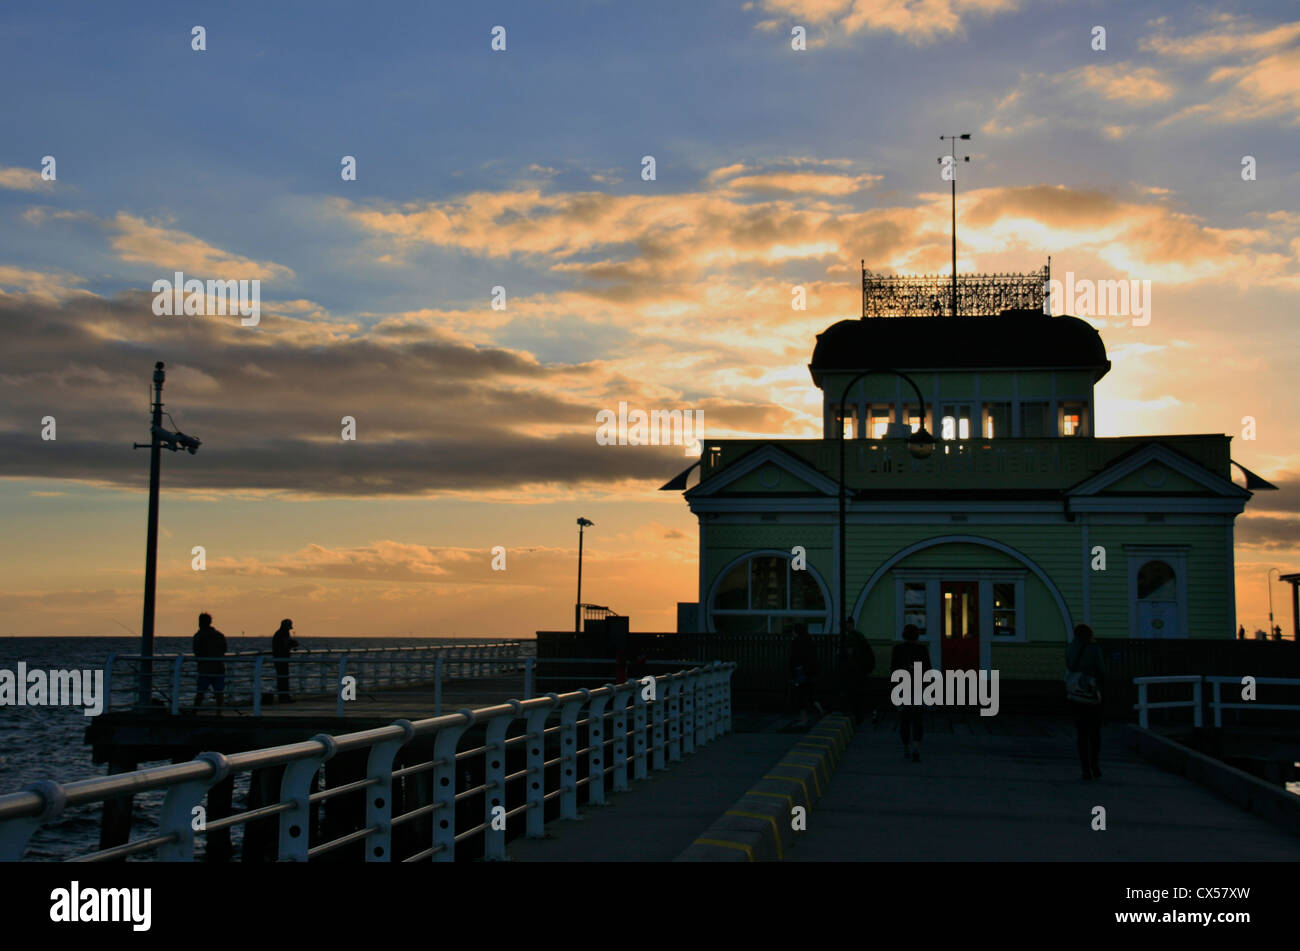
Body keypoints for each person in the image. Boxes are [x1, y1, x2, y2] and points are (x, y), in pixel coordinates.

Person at [1065, 623, 1105, 780]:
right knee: (1095, 732)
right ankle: (1095, 764)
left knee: (1081, 733)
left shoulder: (1070, 648)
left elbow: (1069, 665)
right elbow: (1101, 670)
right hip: (1090, 692)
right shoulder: (1094, 649)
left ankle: (1085, 768)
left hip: (1075, 693)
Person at [891, 623, 930, 762]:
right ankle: (916, 747)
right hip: (918, 689)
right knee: (918, 720)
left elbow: (893, 671)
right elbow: (927, 670)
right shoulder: (922, 650)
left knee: (904, 721)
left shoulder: (898, 649)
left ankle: (906, 747)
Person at [839, 616, 875, 725]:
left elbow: (850, 653)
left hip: (853, 670)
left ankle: (854, 716)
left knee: (852, 692)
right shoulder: (859, 635)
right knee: (859, 693)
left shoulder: (850, 637)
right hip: (862, 669)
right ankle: (859, 716)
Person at [789, 623, 824, 726]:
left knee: (800, 696)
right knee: (810, 694)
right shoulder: (810, 640)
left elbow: (793, 659)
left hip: (800, 672)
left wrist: (792, 674)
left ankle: (804, 719)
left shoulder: (795, 642)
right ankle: (820, 709)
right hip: (810, 672)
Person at [193, 612, 228, 711]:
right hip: (219, 668)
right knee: (219, 693)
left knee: (200, 692)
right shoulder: (219, 635)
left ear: (200, 622)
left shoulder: (199, 636)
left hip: (205, 669)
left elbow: (196, 651)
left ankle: (195, 711)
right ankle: (219, 713)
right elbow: (224, 649)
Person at [271, 618, 299, 703]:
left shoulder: (281, 633)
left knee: (283, 678)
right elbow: (285, 644)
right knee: (282, 678)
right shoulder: (282, 633)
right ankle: (283, 697)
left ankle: (284, 696)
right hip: (281, 659)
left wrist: (292, 644)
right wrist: (292, 644)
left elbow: (286, 644)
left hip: (282, 659)